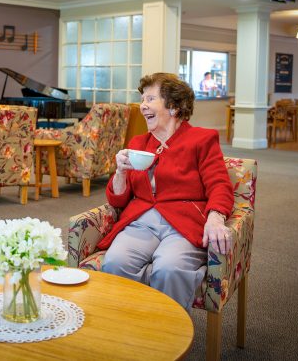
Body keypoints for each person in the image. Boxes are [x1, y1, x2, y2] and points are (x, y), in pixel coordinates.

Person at [99, 72, 233, 311]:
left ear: (173, 107)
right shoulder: (138, 144)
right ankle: (126, 326)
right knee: (115, 263)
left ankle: (166, 338)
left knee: (169, 269)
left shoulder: (201, 140)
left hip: (182, 224)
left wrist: (215, 217)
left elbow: (220, 185)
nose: (143, 106)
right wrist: (120, 171)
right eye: (142, 100)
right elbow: (117, 200)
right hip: (141, 222)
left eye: (150, 99)